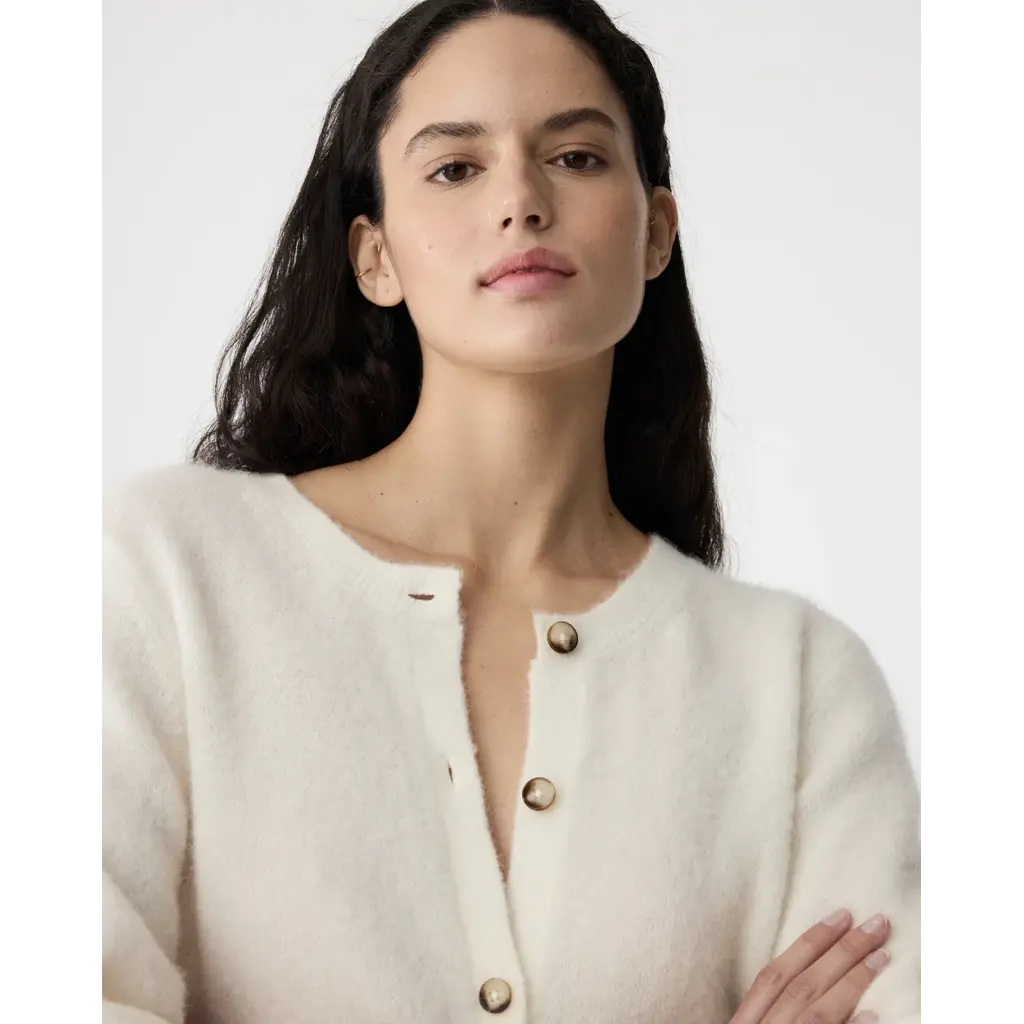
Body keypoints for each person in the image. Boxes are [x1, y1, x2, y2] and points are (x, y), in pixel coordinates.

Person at [96, 1, 925, 1021]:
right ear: (374, 257)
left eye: (575, 157)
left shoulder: (798, 682)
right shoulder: (168, 579)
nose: (522, 202)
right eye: (455, 168)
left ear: (657, 231)